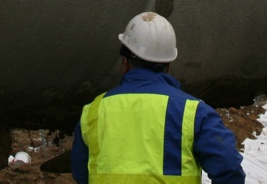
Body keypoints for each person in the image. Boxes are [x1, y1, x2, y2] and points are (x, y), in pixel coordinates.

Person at [71, 12, 245, 184]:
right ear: (168, 65)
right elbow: (229, 169)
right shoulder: (194, 113)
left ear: (124, 63)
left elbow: (81, 174)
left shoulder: (93, 112)